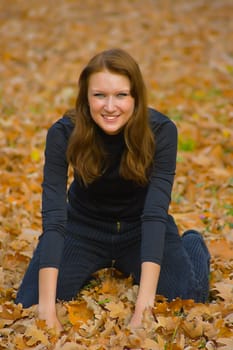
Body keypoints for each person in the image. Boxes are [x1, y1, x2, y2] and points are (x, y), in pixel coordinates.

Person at [15, 48, 210, 330]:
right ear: (86, 97)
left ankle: (191, 242)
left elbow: (155, 215)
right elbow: (55, 219)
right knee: (30, 301)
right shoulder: (63, 132)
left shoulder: (161, 131)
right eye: (99, 95)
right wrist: (46, 309)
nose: (110, 106)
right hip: (83, 227)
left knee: (188, 295)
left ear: (136, 97)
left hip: (140, 228)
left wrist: (143, 309)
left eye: (121, 95)